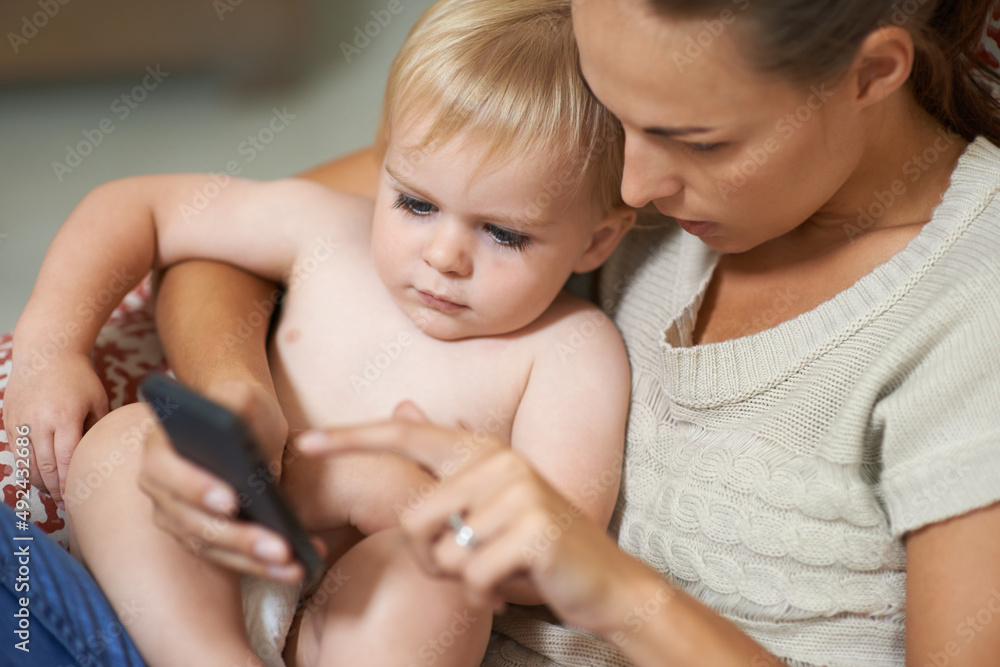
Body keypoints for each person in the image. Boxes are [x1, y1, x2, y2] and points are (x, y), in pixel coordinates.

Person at [140, 0, 1000, 666]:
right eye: (614, 112)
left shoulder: (970, 308)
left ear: (871, 73)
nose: (629, 183)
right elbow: (227, 245)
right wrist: (231, 396)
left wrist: (611, 587)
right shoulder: (637, 77)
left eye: (693, 141)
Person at [1, 1, 637, 665]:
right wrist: (53, 346)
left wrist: (377, 490)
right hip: (196, 544)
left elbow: (553, 558)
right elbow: (143, 208)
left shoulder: (572, 350)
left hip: (348, 609)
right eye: (416, 202)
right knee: (125, 442)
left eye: (503, 232)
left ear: (596, 239)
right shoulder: (332, 231)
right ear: (383, 158)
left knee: (439, 585)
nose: (444, 254)